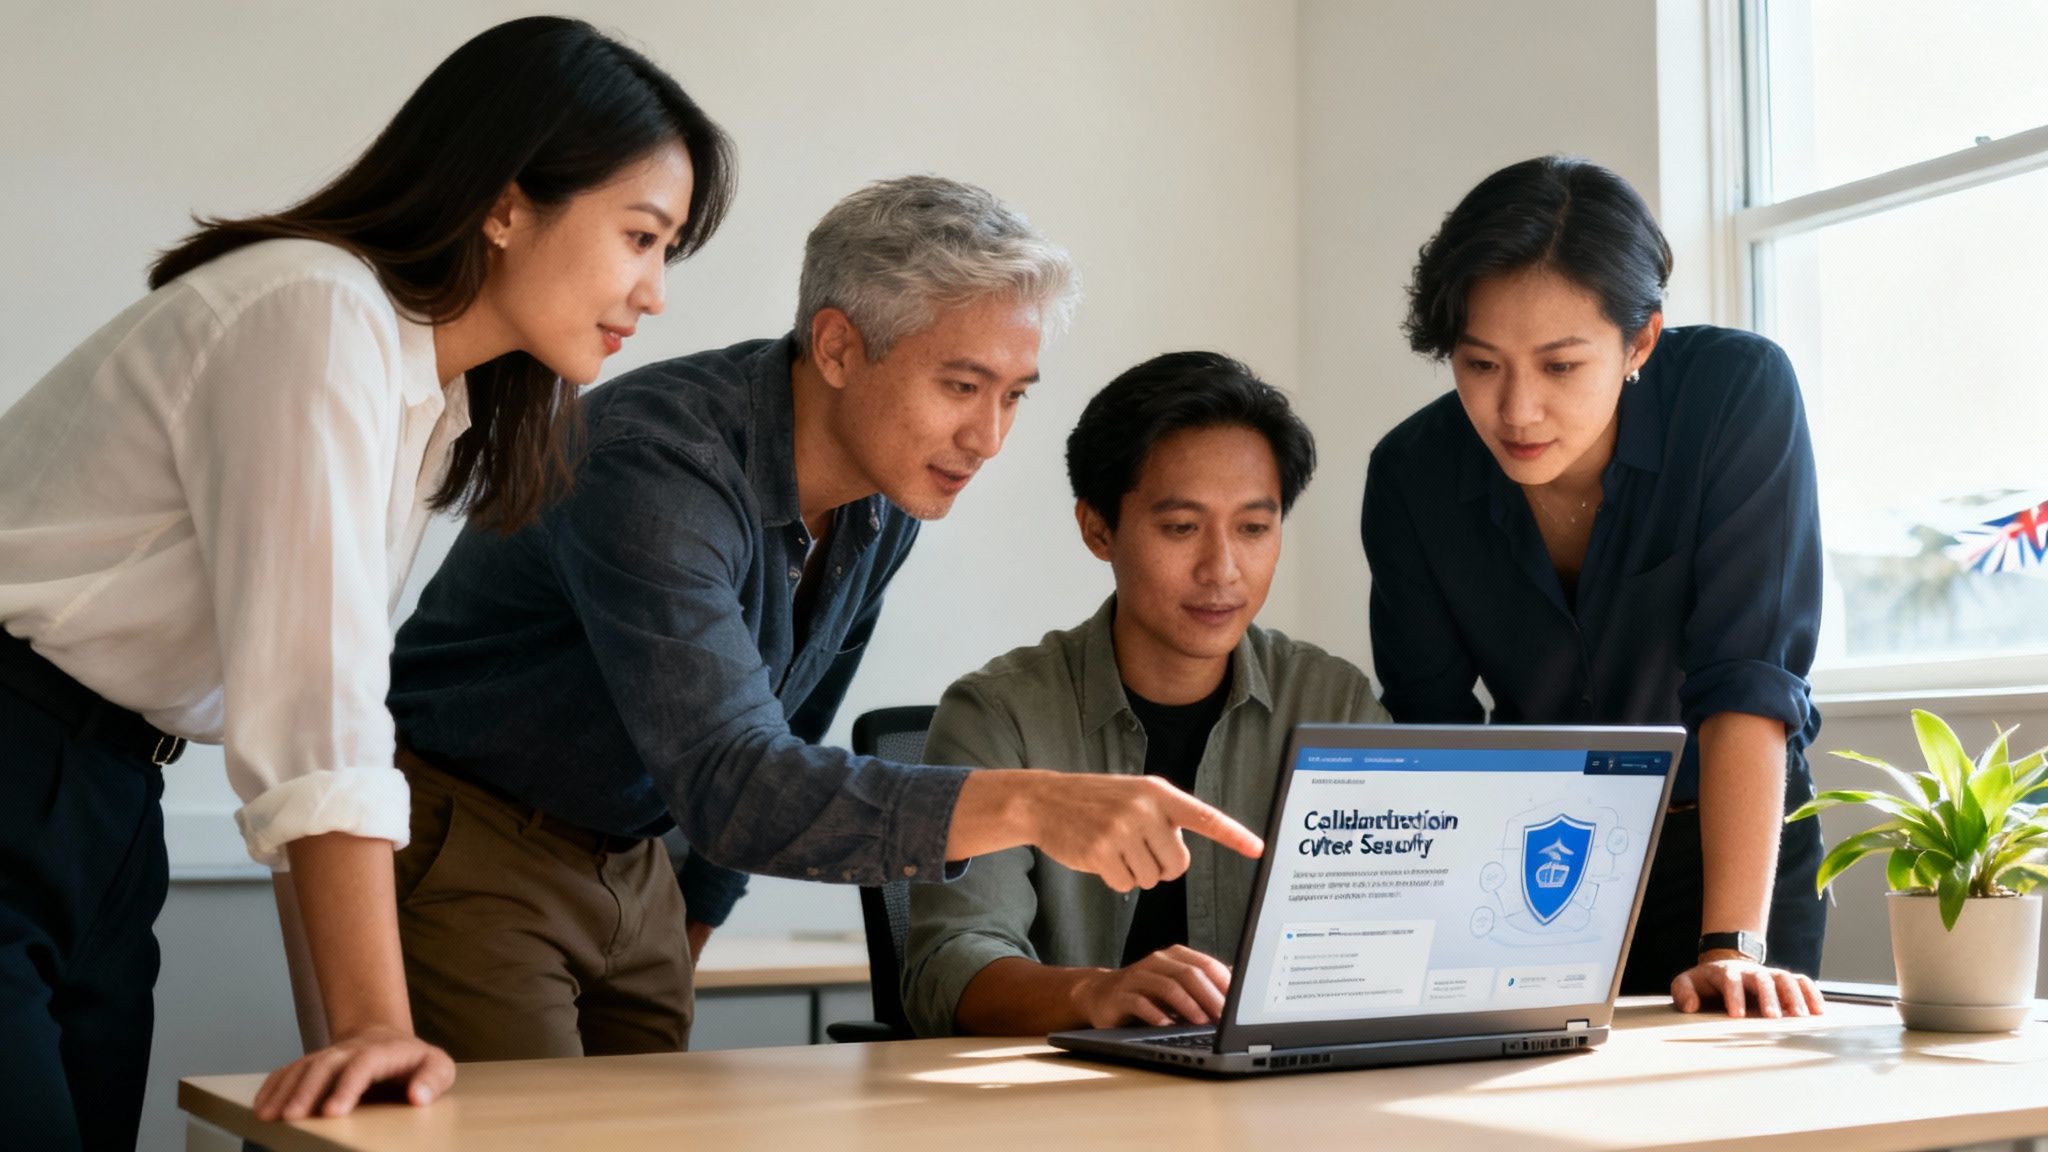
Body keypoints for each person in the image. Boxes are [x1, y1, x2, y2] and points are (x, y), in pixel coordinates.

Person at [0, 16, 740, 1142]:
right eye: (640, 237)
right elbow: (320, 706)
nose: (654, 294)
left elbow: (313, 731)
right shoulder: (314, 308)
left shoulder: (429, 399)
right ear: (505, 204)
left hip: (109, 791)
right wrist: (372, 1024)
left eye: (667, 252)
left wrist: (354, 1045)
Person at [382, 177, 1265, 1061]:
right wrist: (1036, 802)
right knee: (534, 1125)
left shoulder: (887, 495)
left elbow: (790, 723)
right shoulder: (656, 466)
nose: (988, 438)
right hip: (475, 841)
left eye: (1013, 395)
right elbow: (736, 778)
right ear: (838, 347)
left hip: (638, 864)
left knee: (653, 1122)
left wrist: (697, 913)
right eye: (962, 385)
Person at [1362, 155, 1827, 1019]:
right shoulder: (1411, 475)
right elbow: (1434, 728)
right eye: (1481, 364)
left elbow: (1748, 680)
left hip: (1730, 839)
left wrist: (1732, 945)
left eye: (1561, 366)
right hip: (1538, 853)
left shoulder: (1735, 394)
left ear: (1639, 341)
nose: (1516, 411)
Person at [900, 352, 1385, 1037]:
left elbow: (1389, 935)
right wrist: (1094, 994)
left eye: (1253, 528)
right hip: (1065, 1091)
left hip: (1282, 1084)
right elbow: (948, 967)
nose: (1222, 569)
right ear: (1098, 529)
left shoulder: (1332, 704)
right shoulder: (998, 716)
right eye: (1181, 528)